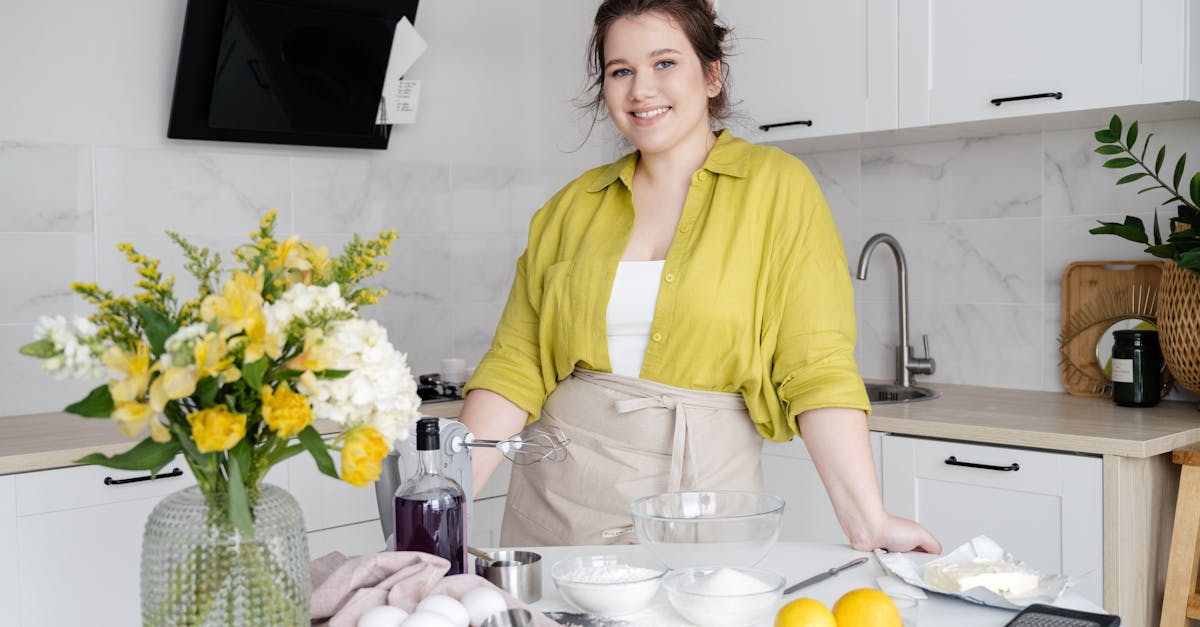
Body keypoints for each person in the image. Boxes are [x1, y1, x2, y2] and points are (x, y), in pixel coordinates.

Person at [459, 0, 941, 554]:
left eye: (665, 63)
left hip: (707, 509)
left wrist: (868, 520)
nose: (641, 89)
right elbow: (515, 366)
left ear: (712, 75)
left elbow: (816, 366)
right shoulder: (569, 208)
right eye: (621, 71)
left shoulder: (777, 189)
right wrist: (442, 502)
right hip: (557, 508)